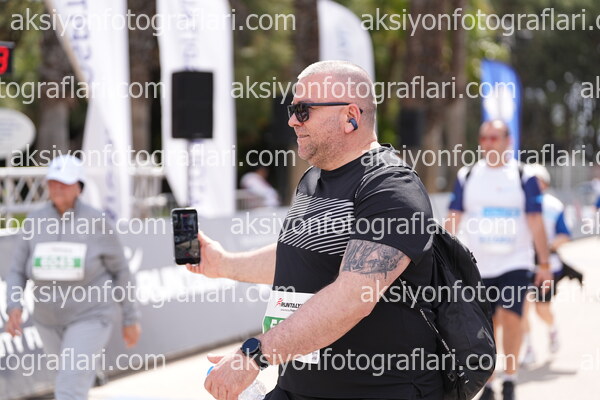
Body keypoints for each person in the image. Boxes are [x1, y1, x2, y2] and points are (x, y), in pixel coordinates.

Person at [187, 60, 443, 399]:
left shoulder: (390, 187)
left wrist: (254, 354)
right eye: (292, 110)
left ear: (351, 116)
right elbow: (299, 258)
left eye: (303, 110)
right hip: (298, 386)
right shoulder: (313, 179)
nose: (292, 120)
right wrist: (222, 264)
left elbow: (354, 297)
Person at [5, 155, 141, 400]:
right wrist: (14, 304)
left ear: (79, 187)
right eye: (52, 182)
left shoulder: (97, 222)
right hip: (47, 320)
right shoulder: (35, 221)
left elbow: (121, 270)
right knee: (70, 381)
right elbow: (17, 270)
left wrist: (130, 317)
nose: (57, 188)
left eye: (64, 183)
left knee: (68, 389)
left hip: (90, 315)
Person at [444, 120, 552, 400]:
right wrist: (442, 256)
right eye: (484, 138)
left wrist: (544, 264)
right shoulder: (468, 175)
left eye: (494, 137)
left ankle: (510, 378)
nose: (489, 143)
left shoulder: (523, 176)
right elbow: (454, 217)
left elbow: (536, 220)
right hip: (477, 265)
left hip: (515, 262)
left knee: (512, 317)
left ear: (508, 141)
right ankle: (489, 383)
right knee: (486, 327)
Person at [520, 164, 572, 365]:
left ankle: (552, 329)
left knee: (541, 309)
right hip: (523, 264)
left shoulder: (554, 206)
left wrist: (546, 248)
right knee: (521, 309)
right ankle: (529, 349)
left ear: (545, 183)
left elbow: (564, 235)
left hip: (548, 266)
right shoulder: (518, 203)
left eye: (536, 181)